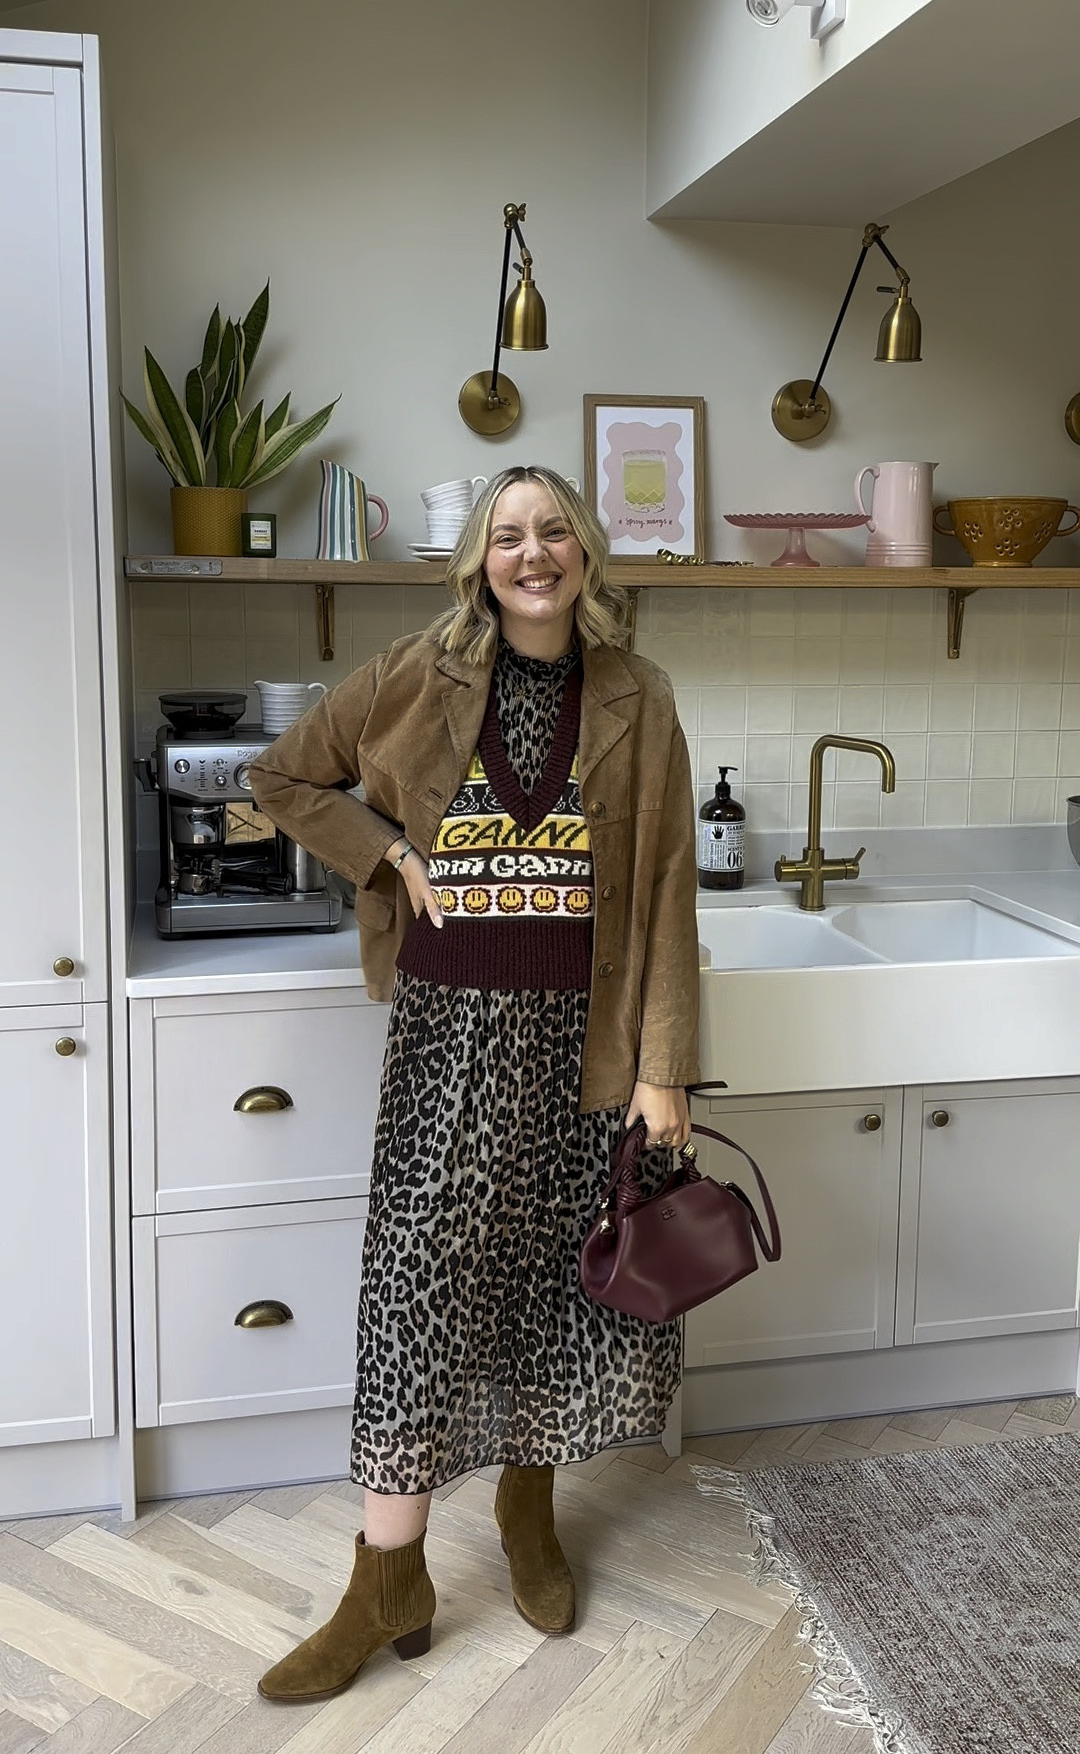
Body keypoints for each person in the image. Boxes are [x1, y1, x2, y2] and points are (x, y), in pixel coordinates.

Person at [247, 464, 700, 1703]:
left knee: (561, 1284)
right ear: (478, 561)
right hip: (451, 1036)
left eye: (555, 530)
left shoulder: (639, 698)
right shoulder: (413, 672)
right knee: (415, 1282)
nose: (534, 552)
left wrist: (664, 1068)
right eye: (510, 535)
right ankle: (387, 1575)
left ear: (588, 552)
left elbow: (665, 889)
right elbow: (280, 777)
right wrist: (387, 849)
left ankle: (528, 1509)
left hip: (587, 1048)